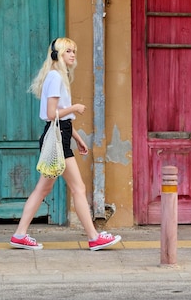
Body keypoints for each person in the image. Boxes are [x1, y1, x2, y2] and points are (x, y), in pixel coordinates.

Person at [10, 37, 121, 251]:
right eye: (68, 51)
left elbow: (63, 122)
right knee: (77, 188)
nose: (73, 55)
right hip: (57, 140)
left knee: (43, 189)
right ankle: (94, 237)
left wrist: (78, 140)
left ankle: (20, 234)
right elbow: (53, 115)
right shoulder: (55, 78)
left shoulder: (58, 77)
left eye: (74, 51)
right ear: (57, 55)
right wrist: (75, 107)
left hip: (61, 137)